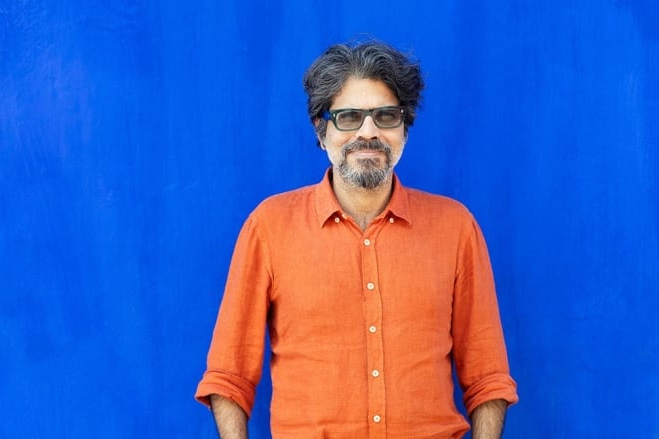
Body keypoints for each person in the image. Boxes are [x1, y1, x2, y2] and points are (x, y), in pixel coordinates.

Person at [195, 40, 518, 439]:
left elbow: (488, 377)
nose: (369, 132)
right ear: (321, 130)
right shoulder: (268, 227)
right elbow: (228, 377)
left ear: (404, 128)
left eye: (385, 116)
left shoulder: (456, 228)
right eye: (349, 117)